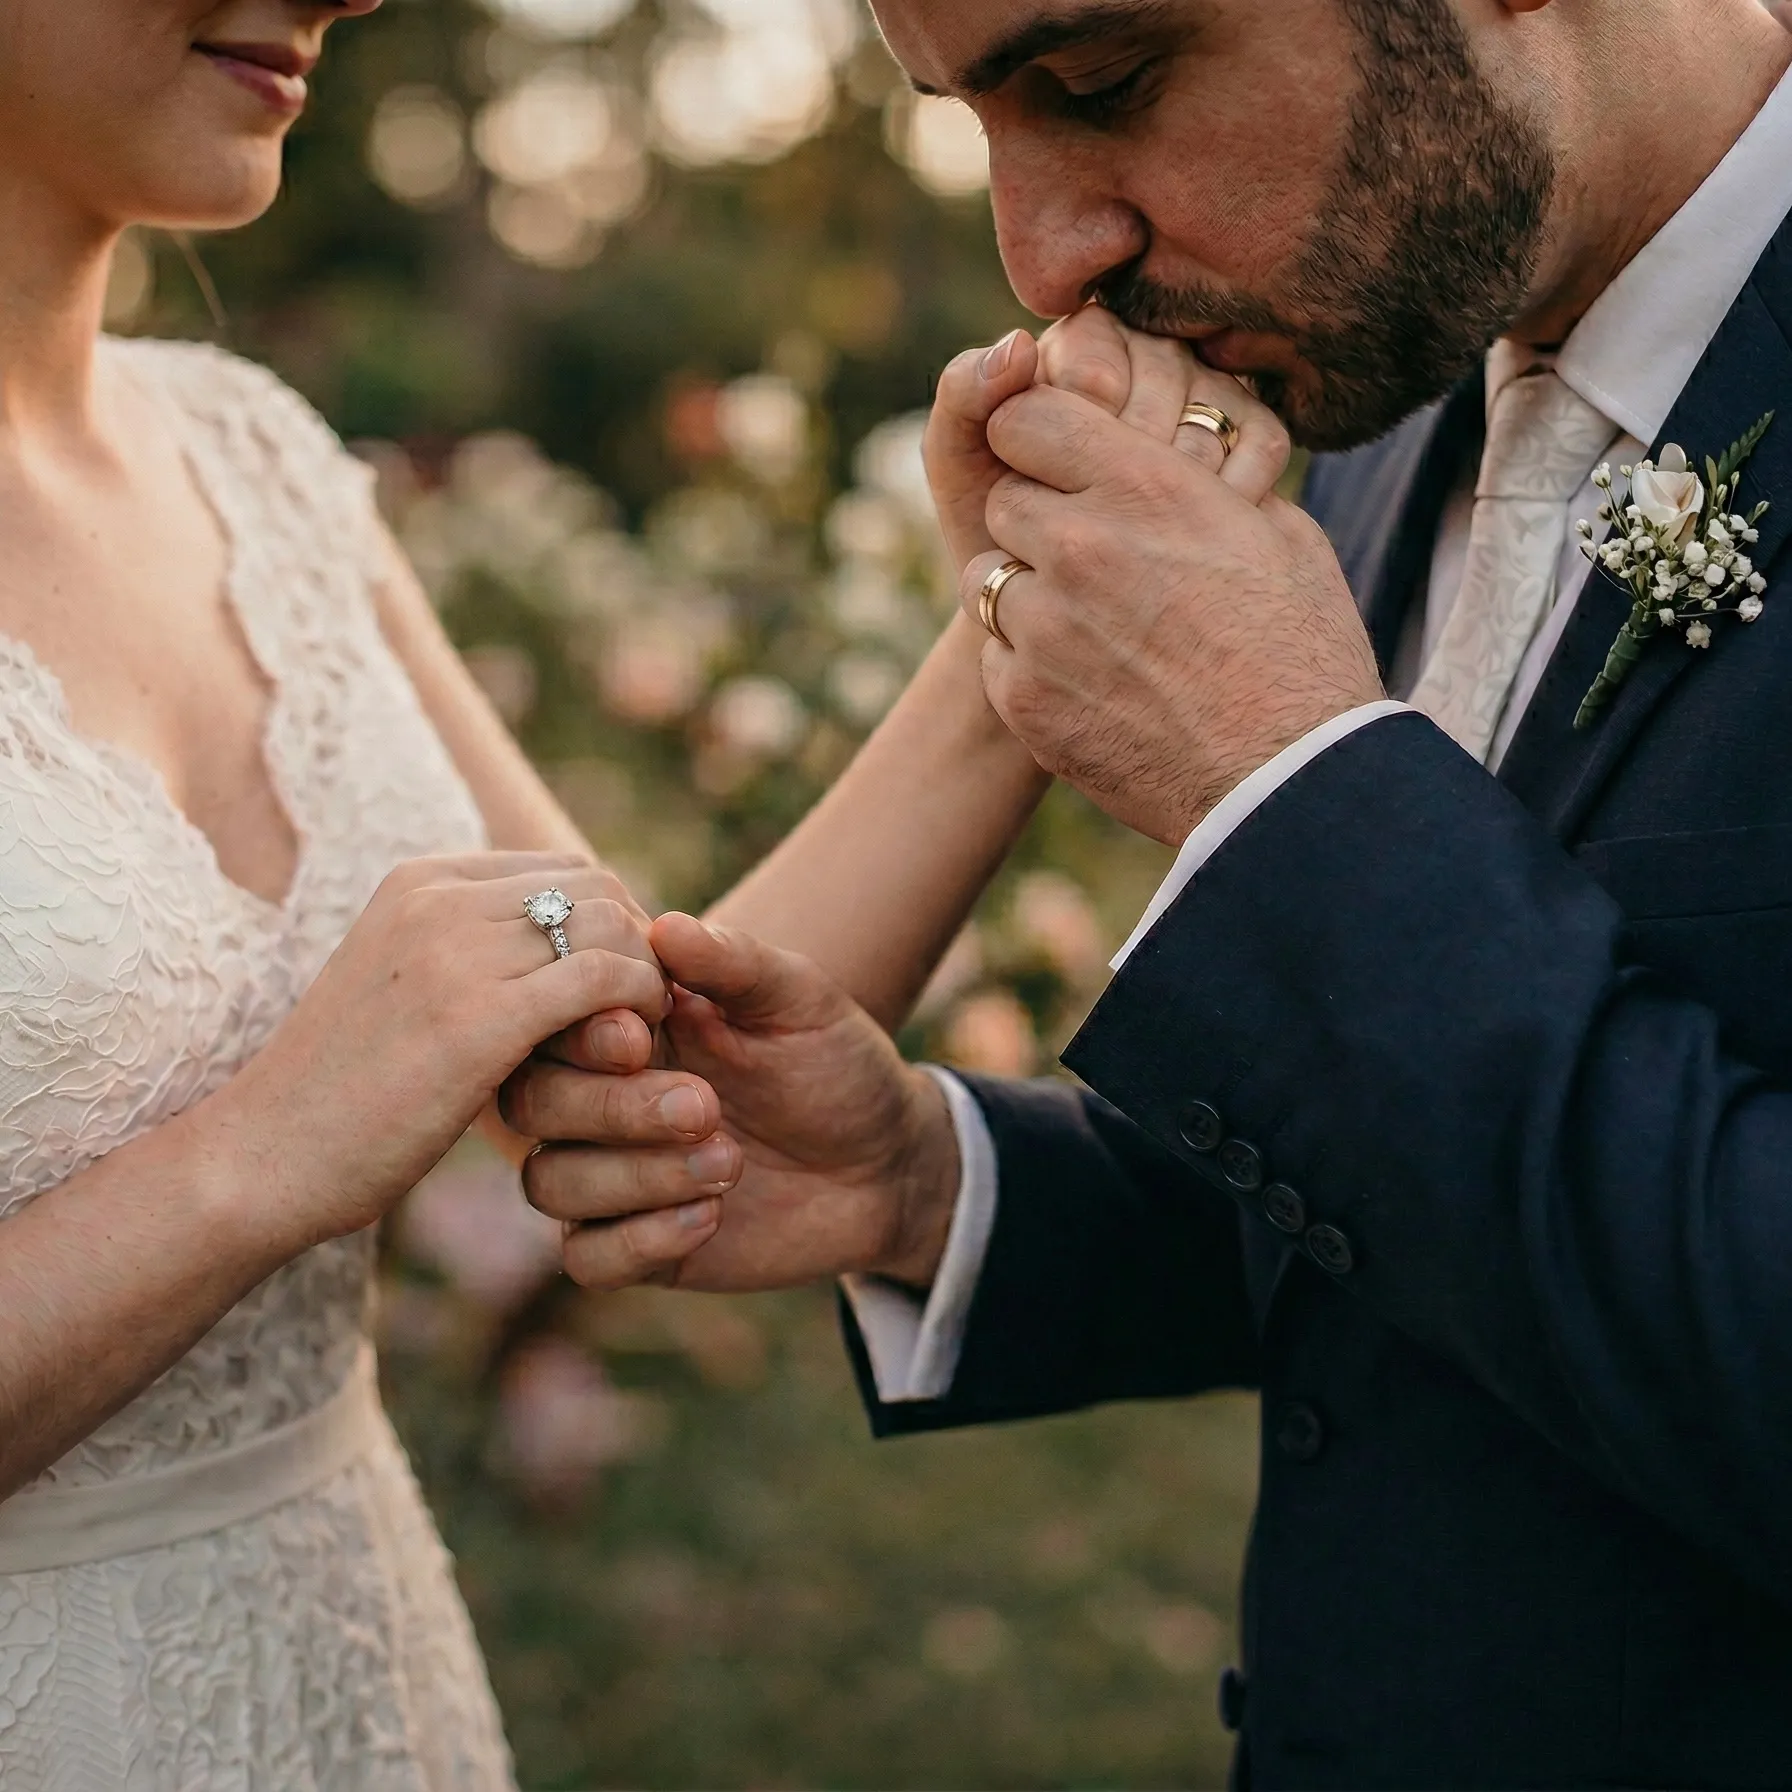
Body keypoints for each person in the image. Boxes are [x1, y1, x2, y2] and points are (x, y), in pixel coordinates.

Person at [505, 0, 1792, 1785]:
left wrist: (1294, 781)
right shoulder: (1372, 381)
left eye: (1106, 83)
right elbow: (1442, 1189)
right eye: (974, 123)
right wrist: (928, 1182)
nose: (1044, 259)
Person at [0, 4, 1248, 1783]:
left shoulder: (257, 460)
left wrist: (1028, 616)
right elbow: (314, 1117)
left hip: (348, 1691)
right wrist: (267, 1151)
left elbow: (662, 1061)